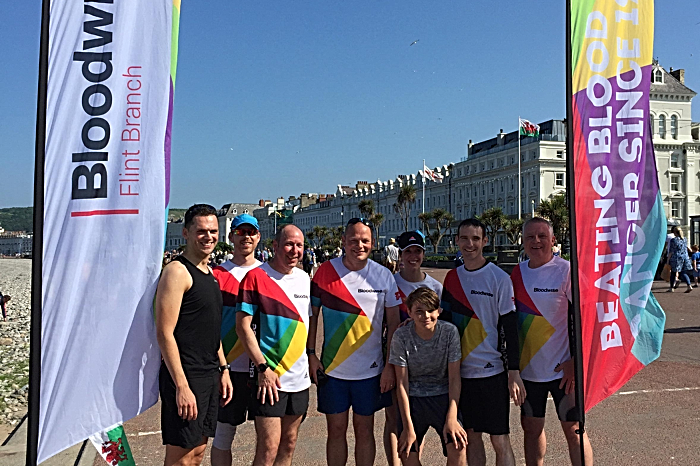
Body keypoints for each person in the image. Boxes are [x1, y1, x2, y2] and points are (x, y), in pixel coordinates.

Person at [309, 218, 401, 466]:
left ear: (373, 243)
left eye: (365, 240)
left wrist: (390, 366)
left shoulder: (383, 275)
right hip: (333, 370)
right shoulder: (325, 271)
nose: (359, 245)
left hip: (370, 372)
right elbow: (312, 316)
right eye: (353, 240)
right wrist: (311, 354)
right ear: (344, 241)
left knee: (364, 430)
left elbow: (394, 325)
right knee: (336, 431)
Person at [440, 218, 524, 466]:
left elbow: (510, 328)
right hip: (460, 375)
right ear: (456, 241)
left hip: (492, 373)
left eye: (476, 239)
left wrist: (514, 372)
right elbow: (443, 324)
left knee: (500, 441)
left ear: (485, 242)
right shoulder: (452, 278)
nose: (470, 244)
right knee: (472, 438)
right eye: (464, 238)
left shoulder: (499, 278)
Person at [155, 204, 233, 466]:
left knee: (198, 452)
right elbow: (164, 333)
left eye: (213, 231)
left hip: (209, 373)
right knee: (181, 457)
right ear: (186, 233)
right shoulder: (177, 272)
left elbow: (211, 329)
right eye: (201, 231)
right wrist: (182, 386)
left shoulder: (210, 274)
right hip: (187, 375)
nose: (208, 236)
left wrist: (223, 368)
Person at [513, 217, 593, 466]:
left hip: (563, 371)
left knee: (575, 431)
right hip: (529, 371)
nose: (536, 241)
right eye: (530, 237)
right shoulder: (517, 272)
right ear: (523, 242)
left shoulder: (567, 270)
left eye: (542, 236)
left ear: (553, 240)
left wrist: (575, 360)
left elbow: (587, 319)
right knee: (531, 429)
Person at [236, 225, 311, 466]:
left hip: (299, 378)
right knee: (268, 449)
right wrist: (262, 368)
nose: (294, 250)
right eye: (289, 244)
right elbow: (243, 327)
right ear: (275, 246)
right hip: (269, 378)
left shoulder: (304, 279)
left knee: (288, 445)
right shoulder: (255, 277)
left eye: (299, 246)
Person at [384, 230, 443, 465]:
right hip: (396, 360)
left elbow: (441, 325)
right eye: (408, 251)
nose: (413, 256)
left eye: (417, 251)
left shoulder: (435, 287)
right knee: (394, 418)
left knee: (417, 419)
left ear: (423, 253)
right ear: (400, 254)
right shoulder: (390, 282)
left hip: (424, 363)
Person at [390, 287, 467, 466]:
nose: (426, 316)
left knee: (458, 447)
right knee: (407, 452)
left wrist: (452, 417)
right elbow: (402, 384)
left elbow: (455, 378)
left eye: (431, 310)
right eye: (419, 311)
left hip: (443, 396)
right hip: (414, 399)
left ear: (439, 311)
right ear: (409, 312)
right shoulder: (401, 336)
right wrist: (408, 427)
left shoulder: (449, 333)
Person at [210, 214, 262, 466]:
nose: (246, 237)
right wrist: (221, 367)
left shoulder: (268, 274)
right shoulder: (217, 275)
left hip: (262, 369)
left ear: (258, 237)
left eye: (251, 232)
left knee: (267, 437)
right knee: (223, 435)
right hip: (229, 370)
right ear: (231, 237)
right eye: (240, 233)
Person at [667, 226, 693, 293]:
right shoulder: (684, 239)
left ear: (675, 232)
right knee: (683, 272)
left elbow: (671, 251)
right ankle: (689, 285)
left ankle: (671, 287)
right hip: (685, 257)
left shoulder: (674, 240)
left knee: (673, 273)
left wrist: (668, 260)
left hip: (676, 258)